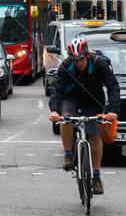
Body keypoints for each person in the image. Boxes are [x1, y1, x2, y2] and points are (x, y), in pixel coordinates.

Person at [48, 36, 121, 195]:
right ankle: (68, 156)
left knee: (94, 136)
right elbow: (57, 88)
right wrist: (54, 110)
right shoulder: (66, 66)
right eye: (75, 60)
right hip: (71, 97)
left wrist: (112, 110)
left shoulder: (98, 63)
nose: (78, 63)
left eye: (81, 59)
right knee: (66, 117)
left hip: (92, 100)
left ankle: (96, 178)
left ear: (87, 55)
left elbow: (113, 86)